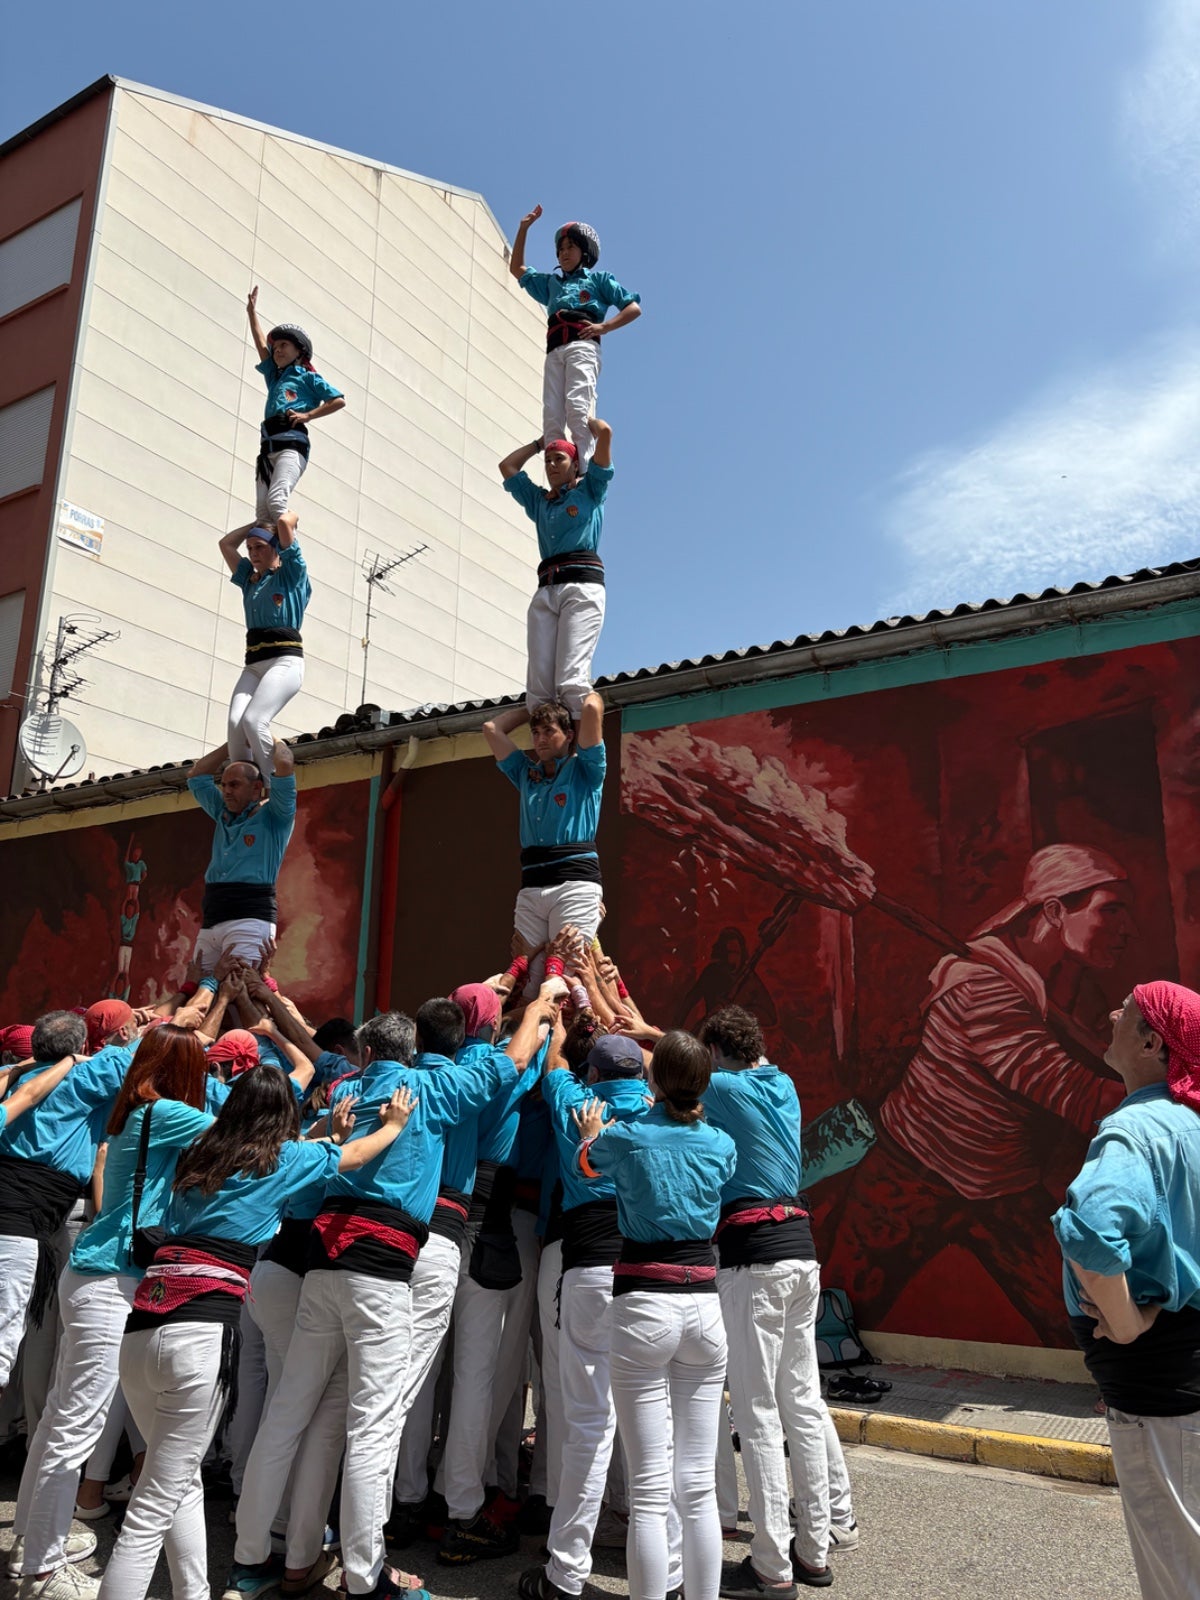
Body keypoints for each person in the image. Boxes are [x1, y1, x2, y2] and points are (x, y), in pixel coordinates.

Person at [228, 1005, 536, 1600]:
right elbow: (513, 1061)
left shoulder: (342, 1090)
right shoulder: (424, 1084)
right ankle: (366, 1580)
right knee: (372, 1428)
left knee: (295, 1413)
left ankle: (260, 1558)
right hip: (382, 1274)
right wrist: (544, 1002)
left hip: (322, 1269)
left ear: (366, 1054)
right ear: (412, 1050)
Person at [96, 1066, 416, 1600]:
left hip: (143, 1321)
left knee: (181, 1484)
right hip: (200, 1330)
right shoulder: (283, 1159)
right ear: (283, 1118)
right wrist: (394, 1124)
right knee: (154, 1503)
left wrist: (324, 1136)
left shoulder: (199, 1149)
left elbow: (283, 1153)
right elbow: (356, 1158)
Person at [824, 843, 1135, 1343]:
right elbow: (1065, 1089)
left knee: (1074, 1319)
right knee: (835, 1309)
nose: (1128, 930)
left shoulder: (1063, 983)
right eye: (1111, 910)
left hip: (1002, 1185)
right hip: (910, 1175)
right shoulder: (981, 986)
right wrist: (1172, 1099)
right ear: (1055, 911)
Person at [10, 1027, 211, 1600]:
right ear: (184, 1070)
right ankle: (40, 1572)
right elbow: (237, 1138)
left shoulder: (136, 1108)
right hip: (112, 1279)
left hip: (93, 1272)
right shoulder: (166, 1111)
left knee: (58, 1420)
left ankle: (31, 1542)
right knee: (76, 1425)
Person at [565, 1031, 737, 1600]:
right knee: (697, 1486)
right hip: (704, 1307)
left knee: (649, 1486)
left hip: (643, 1302)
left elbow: (588, 1166)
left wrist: (590, 1134)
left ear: (654, 1082)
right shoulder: (718, 1142)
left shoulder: (628, 1135)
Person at [1053, 982, 1200, 1600]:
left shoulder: (1137, 1129)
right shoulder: (1190, 1124)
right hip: (1183, 1375)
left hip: (1158, 1386)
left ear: (1151, 1042)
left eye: (1128, 1010)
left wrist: (1129, 1322)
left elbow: (1089, 1226)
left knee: (1175, 1572)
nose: (1111, 1013)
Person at [698, 1006, 836, 1594]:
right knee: (801, 1403)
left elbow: (668, 1059)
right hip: (802, 1252)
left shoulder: (722, 1086)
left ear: (717, 1055)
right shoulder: (781, 1083)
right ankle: (814, 1549)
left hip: (754, 1260)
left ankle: (772, 1565)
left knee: (755, 1410)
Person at [516, 1033, 655, 1599]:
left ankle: (566, 1568)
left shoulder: (579, 1101)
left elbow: (551, 1066)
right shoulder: (658, 1109)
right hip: (652, 1275)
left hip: (590, 1267)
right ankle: (662, 1576)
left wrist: (563, 1034)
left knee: (586, 1426)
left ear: (593, 1074)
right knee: (652, 1433)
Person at [0, 1011, 135, 1395]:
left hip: (34, 1224)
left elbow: (26, 1091)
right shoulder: (86, 1076)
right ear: (78, 1048)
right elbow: (137, 1054)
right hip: (21, 1231)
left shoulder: (9, 1079)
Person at [509, 210, 640, 470]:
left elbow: (632, 308)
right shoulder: (551, 284)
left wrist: (604, 326)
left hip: (582, 345)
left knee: (577, 407)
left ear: (585, 252)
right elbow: (517, 269)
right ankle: (559, 475)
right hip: (554, 349)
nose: (564, 254)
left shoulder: (598, 280)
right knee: (551, 415)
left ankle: (584, 472)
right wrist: (523, 228)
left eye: (570, 247)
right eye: (560, 250)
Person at [498, 423, 613, 718]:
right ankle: (550, 753)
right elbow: (508, 466)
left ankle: (580, 750)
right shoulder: (540, 502)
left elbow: (603, 455)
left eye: (558, 459)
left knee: (571, 681)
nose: (550, 465)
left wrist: (601, 433)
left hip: (580, 586)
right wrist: (541, 443)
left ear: (575, 465)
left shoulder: (589, 491)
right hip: (546, 588)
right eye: (547, 461)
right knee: (538, 689)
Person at [482, 694, 606, 961]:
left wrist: (564, 696)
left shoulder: (586, 770)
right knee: (526, 977)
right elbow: (492, 729)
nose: (540, 739)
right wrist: (534, 708)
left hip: (574, 882)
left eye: (549, 731)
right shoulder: (526, 774)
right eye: (535, 733)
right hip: (532, 885)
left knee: (567, 974)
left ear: (570, 734)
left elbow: (592, 706)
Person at [186, 739, 296, 975]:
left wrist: (262, 732)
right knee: (196, 987)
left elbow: (285, 762)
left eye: (234, 785)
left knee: (239, 990)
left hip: (250, 915)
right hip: (214, 913)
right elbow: (196, 775)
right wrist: (233, 742)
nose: (226, 791)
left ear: (256, 788)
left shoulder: (275, 816)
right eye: (224, 784)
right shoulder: (222, 811)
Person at [218, 521, 312, 781]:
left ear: (275, 548)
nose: (252, 552)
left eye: (259, 546)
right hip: (254, 663)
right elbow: (225, 544)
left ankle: (274, 784)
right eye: (249, 547)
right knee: (236, 724)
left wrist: (274, 517)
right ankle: (243, 783)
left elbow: (285, 526)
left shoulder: (291, 574)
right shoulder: (250, 579)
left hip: (284, 660)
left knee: (254, 720)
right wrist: (255, 523)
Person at [245, 288, 344, 534]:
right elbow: (260, 344)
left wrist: (308, 415)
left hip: (291, 444)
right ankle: (270, 565)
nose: (277, 350)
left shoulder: (307, 377)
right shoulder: (275, 377)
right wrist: (251, 313)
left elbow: (338, 400)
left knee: (277, 503)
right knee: (262, 514)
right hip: (268, 446)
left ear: (299, 350)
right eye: (276, 346)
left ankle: (292, 557)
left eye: (284, 345)